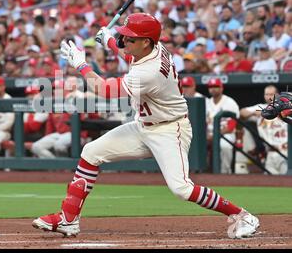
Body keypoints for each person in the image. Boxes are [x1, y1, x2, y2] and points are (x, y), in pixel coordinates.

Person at [32, 13, 259, 239]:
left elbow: (105, 90)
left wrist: (81, 64)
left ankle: (242, 215)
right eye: (125, 37)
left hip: (169, 129)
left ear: (146, 42)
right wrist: (110, 41)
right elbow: (130, 56)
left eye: (130, 39)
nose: (125, 42)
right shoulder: (151, 50)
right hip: (143, 125)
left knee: (182, 188)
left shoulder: (150, 72)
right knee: (91, 152)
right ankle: (68, 219)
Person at [241, 85, 288, 175]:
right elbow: (242, 113)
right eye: (267, 94)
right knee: (270, 182)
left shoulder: (286, 108)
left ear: (277, 95)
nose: (269, 96)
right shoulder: (262, 108)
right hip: (270, 153)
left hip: (286, 152)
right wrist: (254, 113)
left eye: (272, 94)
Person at [205, 78, 241, 174]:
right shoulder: (206, 103)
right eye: (211, 87)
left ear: (221, 88)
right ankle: (200, 172)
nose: (213, 89)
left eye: (216, 87)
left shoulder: (230, 103)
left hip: (225, 134)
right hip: (208, 134)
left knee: (225, 146)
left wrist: (214, 135)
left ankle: (225, 173)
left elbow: (231, 126)